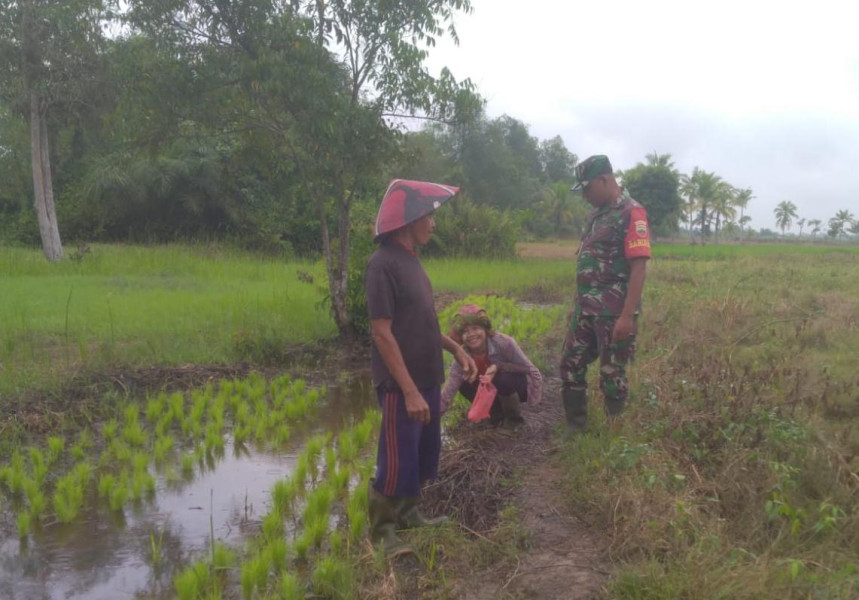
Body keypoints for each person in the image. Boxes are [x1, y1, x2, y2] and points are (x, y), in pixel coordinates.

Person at [365, 179, 478, 557]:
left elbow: (424, 322)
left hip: (427, 373)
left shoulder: (412, 261)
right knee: (395, 455)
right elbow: (382, 333)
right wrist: (409, 390)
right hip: (402, 383)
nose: (433, 224)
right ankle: (382, 532)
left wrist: (456, 350)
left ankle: (410, 513)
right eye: (428, 216)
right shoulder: (381, 265)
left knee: (420, 450)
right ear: (409, 219)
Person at [560, 155, 651, 433]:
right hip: (585, 309)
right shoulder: (596, 214)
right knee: (570, 363)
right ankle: (576, 428)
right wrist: (577, 304)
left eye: (587, 188)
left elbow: (639, 268)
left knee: (612, 374)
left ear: (605, 180)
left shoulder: (632, 213)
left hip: (613, 313)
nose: (585, 195)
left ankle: (614, 435)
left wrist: (626, 316)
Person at [441, 304, 542, 428]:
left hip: (515, 386)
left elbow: (529, 369)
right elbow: (451, 386)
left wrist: (498, 367)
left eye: (475, 328)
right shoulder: (462, 354)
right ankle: (495, 416)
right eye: (465, 331)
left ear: (485, 329)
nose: (471, 334)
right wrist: (435, 412)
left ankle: (514, 421)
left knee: (502, 378)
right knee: (464, 382)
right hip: (490, 392)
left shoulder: (504, 343)